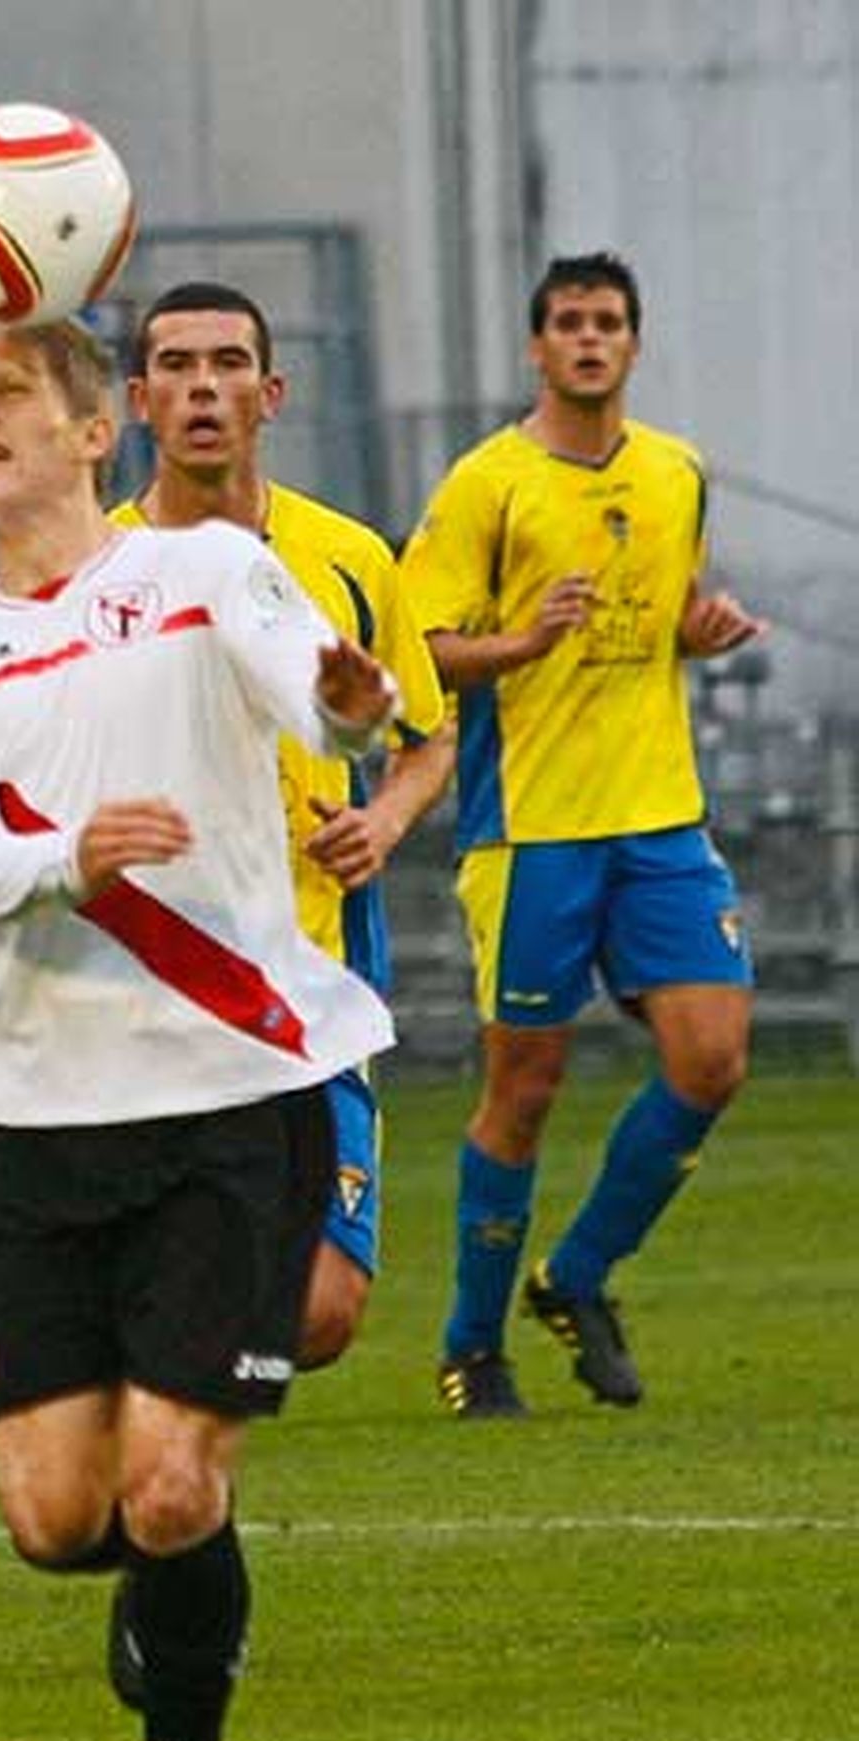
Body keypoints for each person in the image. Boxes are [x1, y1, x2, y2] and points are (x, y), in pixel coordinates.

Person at [0, 314, 400, 1741]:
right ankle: (185, 1606)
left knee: (168, 1489)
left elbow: (314, 693)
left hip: (235, 1093)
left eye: (7, 394)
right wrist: (72, 855)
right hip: (38, 1125)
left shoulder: (204, 570)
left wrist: (350, 690)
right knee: (50, 1519)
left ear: (96, 427)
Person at [398, 251, 765, 1420]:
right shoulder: (486, 486)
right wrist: (517, 644)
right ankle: (472, 1346)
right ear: (537, 347)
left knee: (711, 1058)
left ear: (634, 343)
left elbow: (664, 616)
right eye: (568, 323)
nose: (589, 340)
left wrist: (701, 631)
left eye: (608, 322)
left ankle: (579, 1275)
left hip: (658, 818)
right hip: (533, 832)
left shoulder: (676, 472)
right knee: (527, 1085)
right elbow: (422, 652)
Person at [116, 280, 453, 1367]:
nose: (200, 386)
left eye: (224, 364)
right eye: (174, 365)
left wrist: (385, 823)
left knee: (320, 1312)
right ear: (136, 399)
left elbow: (427, 736)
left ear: (270, 393)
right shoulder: (90, 577)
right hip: (142, 994)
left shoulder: (351, 559)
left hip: (308, 979)